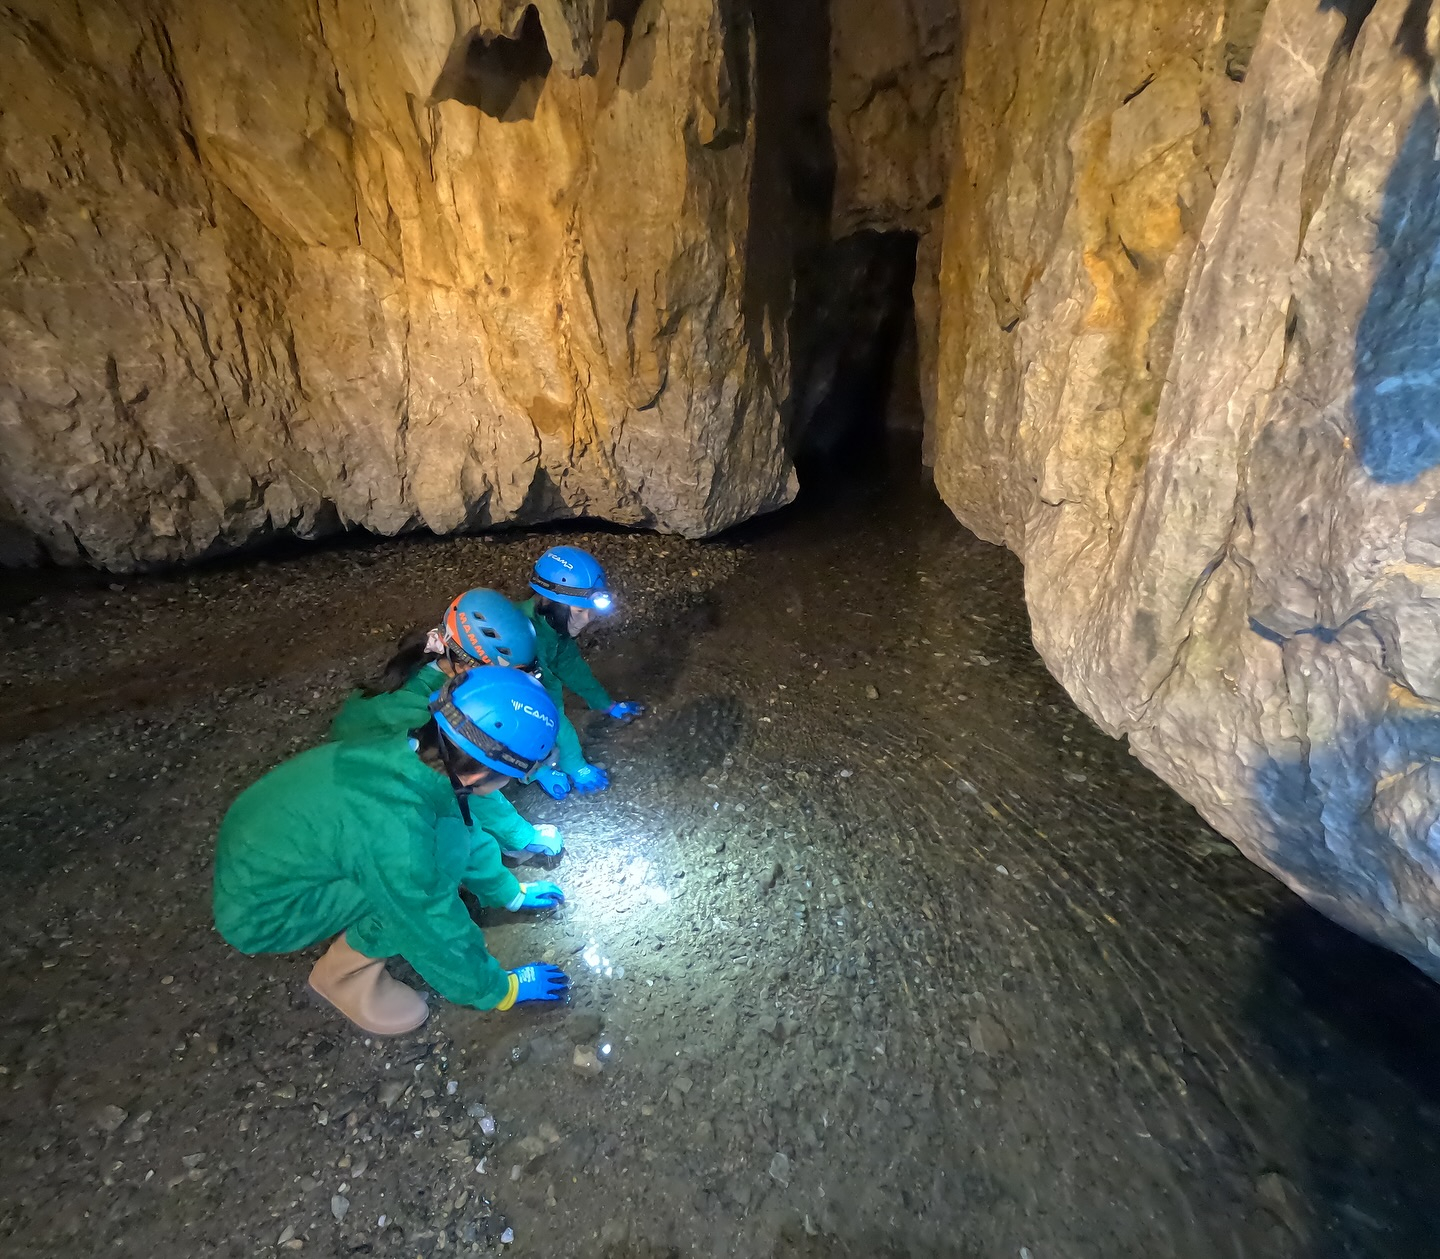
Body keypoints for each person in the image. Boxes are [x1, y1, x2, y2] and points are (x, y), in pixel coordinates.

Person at [214, 669, 571, 1036]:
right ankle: (342, 978)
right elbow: (432, 923)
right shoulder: (403, 832)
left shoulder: (415, 753)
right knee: (420, 889)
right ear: (481, 778)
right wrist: (500, 989)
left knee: (440, 850)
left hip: (264, 852)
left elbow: (462, 822)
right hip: (263, 911)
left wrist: (509, 893)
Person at [331, 588, 563, 861]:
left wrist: (533, 770)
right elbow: (468, 782)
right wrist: (520, 836)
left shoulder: (443, 673)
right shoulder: (420, 714)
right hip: (363, 796)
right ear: (466, 668)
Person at [520, 546, 646, 799]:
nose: (587, 619)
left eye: (590, 611)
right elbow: (549, 714)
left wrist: (606, 704)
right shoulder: (523, 639)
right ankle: (530, 771)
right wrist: (574, 767)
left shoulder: (551, 625)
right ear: (548, 600)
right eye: (579, 611)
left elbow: (571, 667)